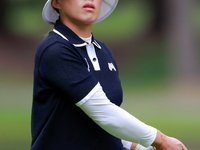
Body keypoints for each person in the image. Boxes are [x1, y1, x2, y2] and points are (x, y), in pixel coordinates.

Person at [30, 0, 188, 150]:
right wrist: (160, 140)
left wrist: (140, 146)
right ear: (57, 3)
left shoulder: (103, 51)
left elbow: (104, 125)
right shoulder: (55, 50)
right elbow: (102, 111)